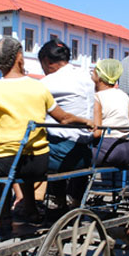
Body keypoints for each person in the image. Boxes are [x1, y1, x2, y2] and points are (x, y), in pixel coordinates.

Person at [0, 37, 92, 242]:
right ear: (20, 58)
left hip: (9, 162)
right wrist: (86, 121)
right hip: (38, 163)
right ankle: (29, 210)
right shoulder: (39, 87)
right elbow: (64, 118)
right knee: (7, 163)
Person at [37, 39, 95, 212]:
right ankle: (69, 200)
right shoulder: (87, 76)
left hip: (64, 152)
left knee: (24, 155)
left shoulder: (47, 83)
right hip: (86, 150)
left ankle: (29, 204)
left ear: (47, 61)